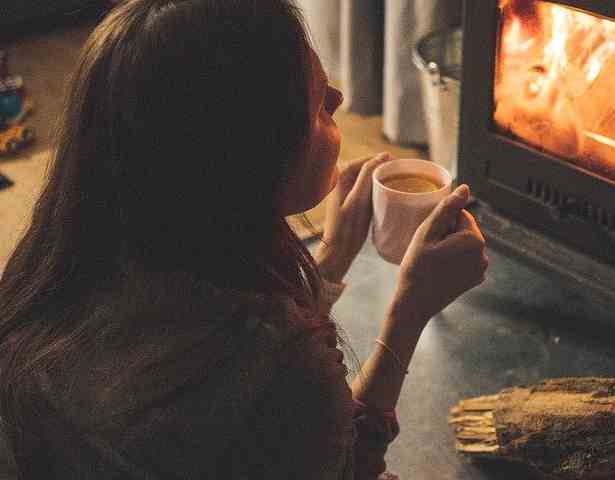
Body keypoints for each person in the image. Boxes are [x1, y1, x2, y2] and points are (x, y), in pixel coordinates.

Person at [0, 0, 489, 478]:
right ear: (247, 153)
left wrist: (333, 257)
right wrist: (407, 315)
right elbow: (342, 464)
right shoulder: (282, 374)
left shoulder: (50, 280)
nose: (338, 99)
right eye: (317, 101)